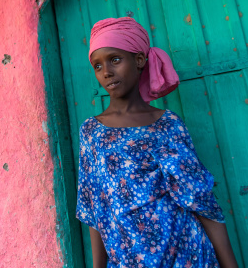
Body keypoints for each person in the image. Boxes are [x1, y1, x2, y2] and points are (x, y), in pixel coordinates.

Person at [76, 17, 238, 268]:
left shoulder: (168, 124)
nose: (106, 72)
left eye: (115, 60)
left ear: (139, 60)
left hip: (187, 256)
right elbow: (93, 205)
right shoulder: (92, 132)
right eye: (97, 66)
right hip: (128, 260)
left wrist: (231, 265)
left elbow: (200, 199)